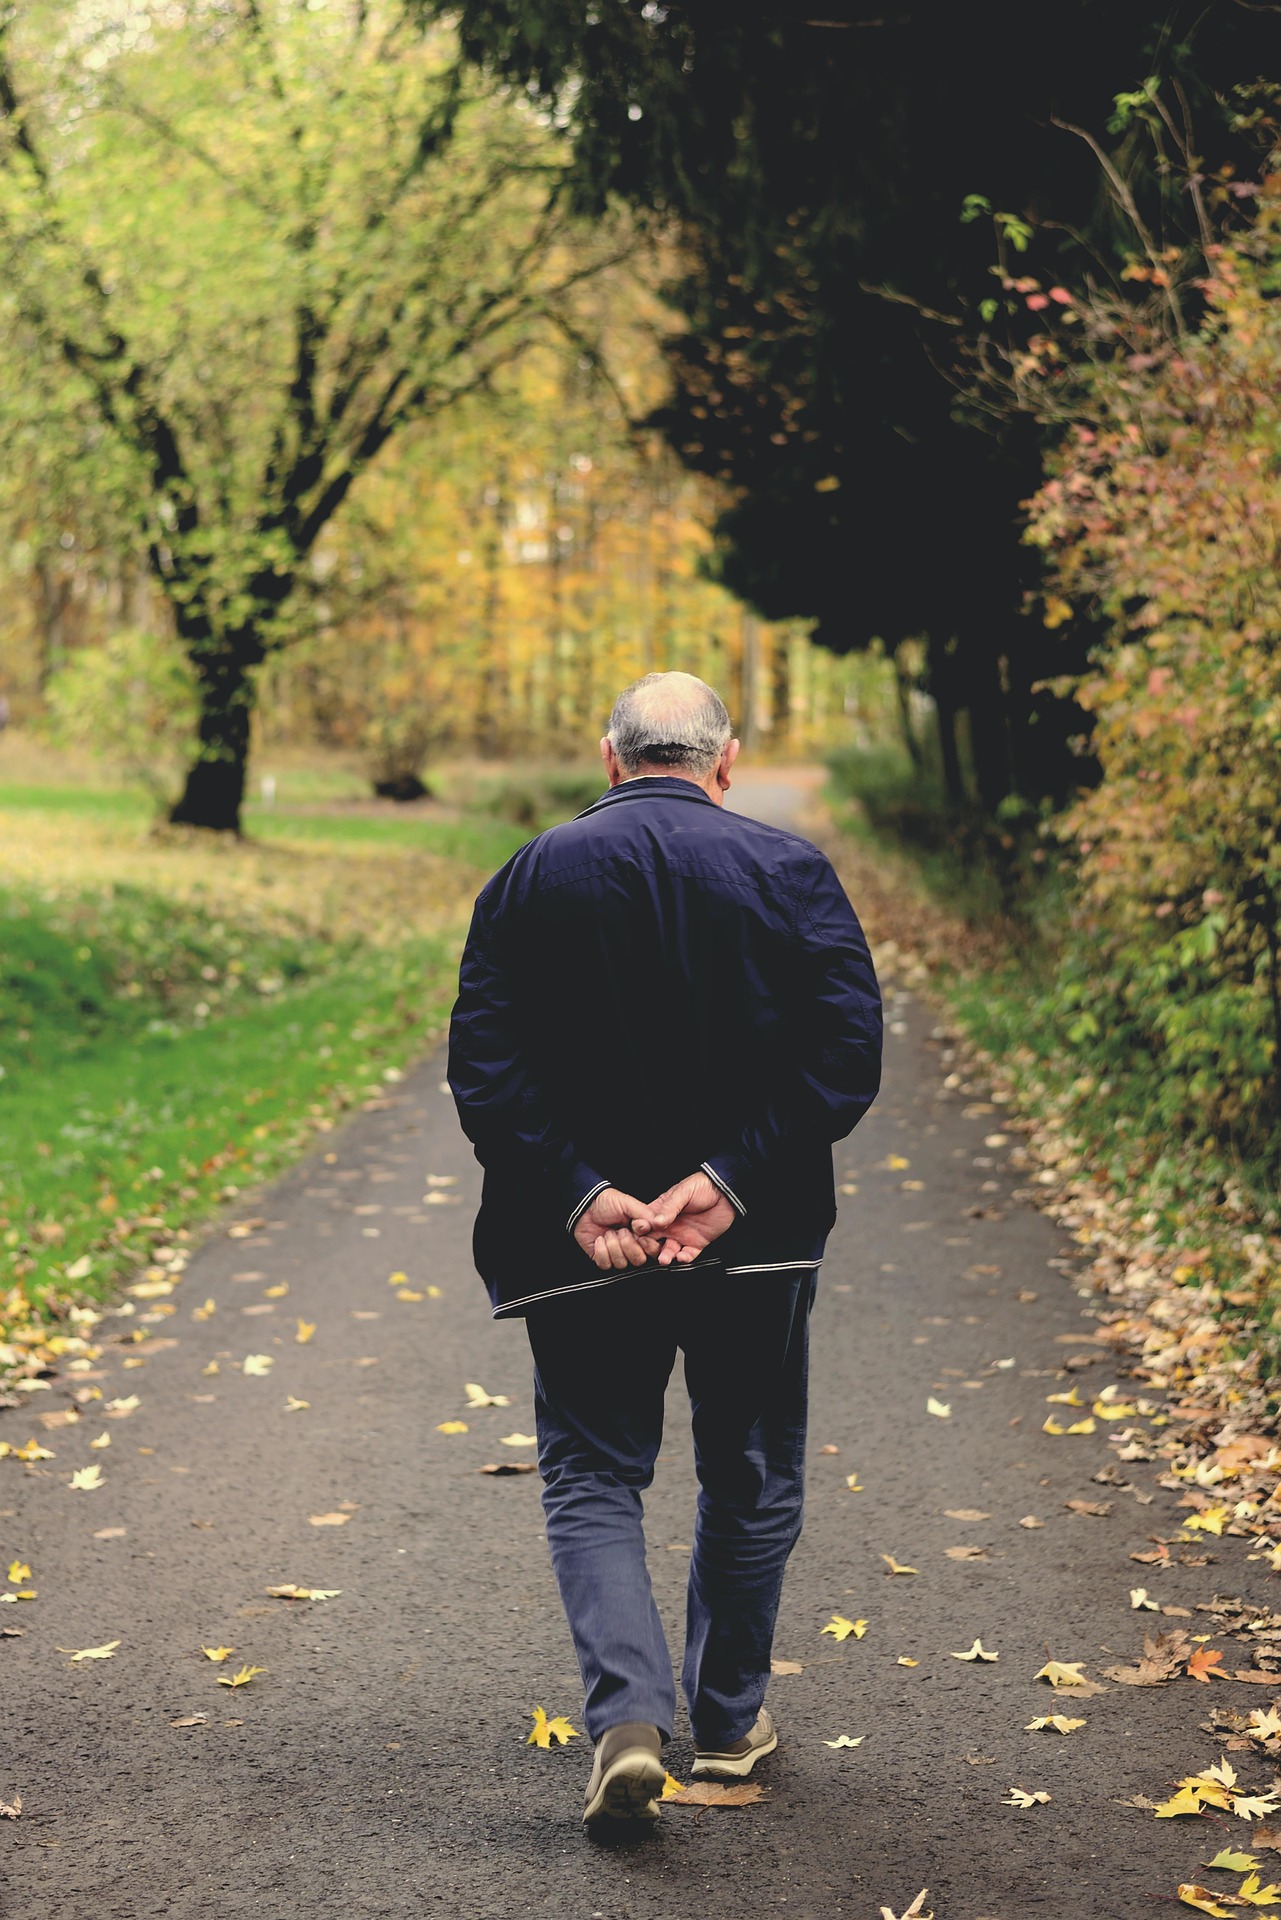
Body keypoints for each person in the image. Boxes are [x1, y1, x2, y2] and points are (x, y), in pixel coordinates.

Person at [448, 671, 881, 1828]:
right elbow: (845, 1057)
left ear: (611, 758)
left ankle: (630, 1721)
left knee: (594, 1471)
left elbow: (486, 1073)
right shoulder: (790, 873)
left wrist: (585, 1192)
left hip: (583, 1249)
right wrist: (731, 1179)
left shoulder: (530, 876)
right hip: (756, 1240)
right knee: (747, 1472)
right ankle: (729, 1727)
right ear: (723, 762)